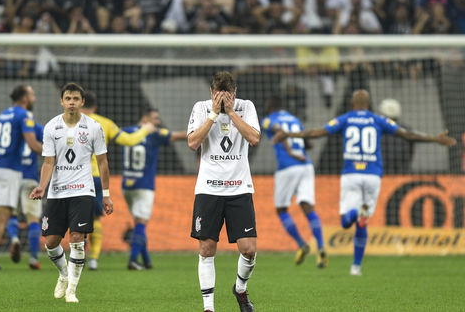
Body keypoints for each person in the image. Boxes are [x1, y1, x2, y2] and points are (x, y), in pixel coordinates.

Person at [274, 89, 456, 276]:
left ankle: (354, 213)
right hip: (373, 175)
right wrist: (435, 138)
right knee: (363, 223)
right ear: (369, 104)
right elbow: (407, 134)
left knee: (346, 222)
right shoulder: (379, 120)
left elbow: (317, 133)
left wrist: (289, 135)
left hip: (352, 174)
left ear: (353, 104)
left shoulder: (345, 119)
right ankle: (356, 267)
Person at [29, 82, 113, 303]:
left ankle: (72, 290)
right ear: (62, 101)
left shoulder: (94, 127)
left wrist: (105, 194)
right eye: (68, 99)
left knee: (77, 239)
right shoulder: (51, 127)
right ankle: (64, 274)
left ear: (82, 102)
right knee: (51, 242)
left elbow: (103, 163)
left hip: (83, 190)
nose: (72, 102)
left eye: (76, 99)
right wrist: (42, 186)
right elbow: (49, 162)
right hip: (57, 192)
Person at [187, 71, 260, 312]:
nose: (221, 99)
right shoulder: (200, 108)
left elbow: (254, 138)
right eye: (217, 95)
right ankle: (209, 307)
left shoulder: (246, 107)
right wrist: (214, 114)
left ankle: (240, 289)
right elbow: (193, 143)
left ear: (234, 93)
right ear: (211, 93)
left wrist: (230, 113)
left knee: (249, 250)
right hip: (209, 189)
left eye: (227, 96)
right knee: (206, 248)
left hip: (239, 187)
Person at [80, 90, 155, 271]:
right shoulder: (105, 123)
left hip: (76, 176)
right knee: (96, 218)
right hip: (97, 177)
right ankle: (94, 259)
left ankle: (78, 256)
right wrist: (146, 129)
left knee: (77, 219)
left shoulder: (71, 121)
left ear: (80, 103)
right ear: (95, 106)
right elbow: (129, 140)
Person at [261, 95, 327, 268]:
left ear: (269, 106)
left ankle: (301, 244)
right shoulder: (294, 119)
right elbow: (308, 143)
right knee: (308, 207)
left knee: (282, 209)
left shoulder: (268, 119)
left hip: (288, 166)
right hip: (305, 164)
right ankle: (321, 248)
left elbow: (277, 130)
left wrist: (289, 151)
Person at [0, 85, 42, 271]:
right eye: (32, 95)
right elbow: (32, 144)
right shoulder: (25, 115)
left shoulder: (4, 114)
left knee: (4, 215)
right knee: (3, 216)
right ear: (24, 98)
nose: (34, 98)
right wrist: (54, 153)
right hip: (10, 170)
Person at [122, 108, 187, 270]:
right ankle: (133, 260)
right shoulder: (155, 134)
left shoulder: (126, 131)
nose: (158, 121)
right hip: (144, 185)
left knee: (138, 223)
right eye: (155, 118)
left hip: (127, 185)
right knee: (141, 223)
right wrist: (201, 131)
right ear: (145, 118)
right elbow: (180, 136)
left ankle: (147, 260)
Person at [6, 114, 44, 270]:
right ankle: (34, 258)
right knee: (33, 219)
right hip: (30, 178)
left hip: (12, 176)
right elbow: (47, 146)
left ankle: (14, 238)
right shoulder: (36, 127)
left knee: (11, 214)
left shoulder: (11, 126)